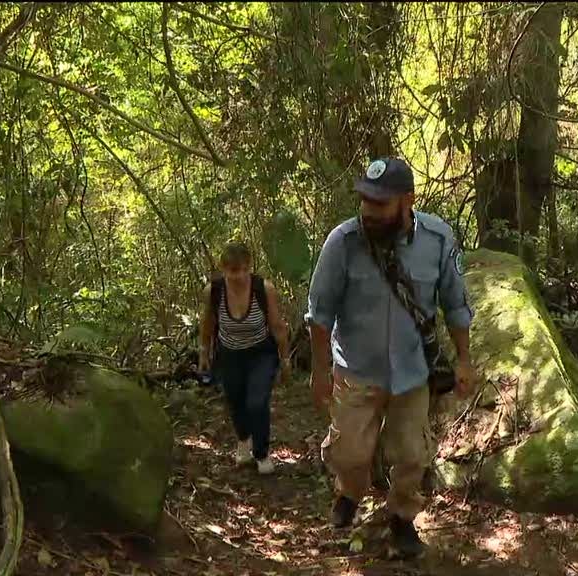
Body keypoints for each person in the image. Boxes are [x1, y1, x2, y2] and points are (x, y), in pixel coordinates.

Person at [305, 157, 476, 559]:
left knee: (412, 455)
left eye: (380, 203)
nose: (369, 209)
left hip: (412, 373)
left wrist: (464, 359)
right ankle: (349, 491)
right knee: (349, 454)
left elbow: (455, 304)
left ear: (407, 201)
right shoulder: (342, 242)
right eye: (365, 199)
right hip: (356, 369)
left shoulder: (438, 239)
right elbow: (320, 313)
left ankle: (401, 517)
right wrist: (319, 371)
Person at [199, 241, 290, 475]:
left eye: (242, 270)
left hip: (261, 353)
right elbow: (207, 323)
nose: (238, 276)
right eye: (232, 271)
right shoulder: (214, 291)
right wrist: (204, 352)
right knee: (235, 400)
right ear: (223, 269)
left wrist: (285, 360)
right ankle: (243, 439)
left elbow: (277, 326)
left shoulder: (263, 289)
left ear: (249, 267)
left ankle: (261, 453)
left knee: (257, 402)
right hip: (229, 354)